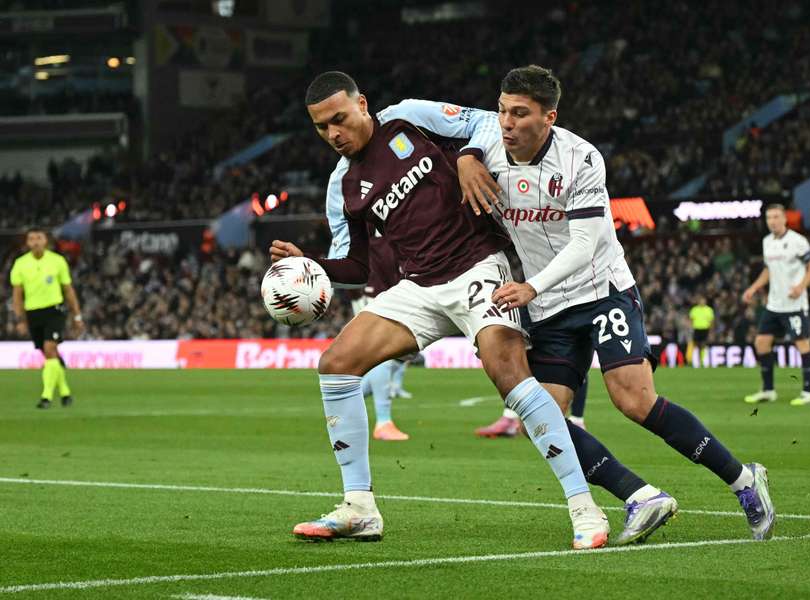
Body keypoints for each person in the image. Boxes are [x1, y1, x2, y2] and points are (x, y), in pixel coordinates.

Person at [270, 71, 610, 549]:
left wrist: (468, 157)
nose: (333, 134)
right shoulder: (341, 186)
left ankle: (584, 507)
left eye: (339, 119)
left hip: (477, 266)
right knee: (336, 364)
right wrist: (313, 265)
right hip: (419, 286)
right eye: (322, 127)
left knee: (509, 373)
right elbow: (358, 264)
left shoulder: (408, 118)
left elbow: (487, 122)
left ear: (362, 104)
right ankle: (359, 508)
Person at [469, 65, 774, 541]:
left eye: (520, 113)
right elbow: (437, 120)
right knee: (541, 419)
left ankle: (743, 480)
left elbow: (585, 243)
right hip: (549, 307)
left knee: (633, 399)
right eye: (502, 111)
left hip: (600, 289)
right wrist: (466, 156)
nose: (507, 123)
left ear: (549, 117)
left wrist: (532, 286)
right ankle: (640, 496)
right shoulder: (487, 147)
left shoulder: (581, 158)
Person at [330, 217, 410, 441]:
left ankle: (341, 400)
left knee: (401, 353)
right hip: (371, 282)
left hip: (391, 280)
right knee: (381, 351)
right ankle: (383, 422)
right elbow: (341, 236)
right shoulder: (359, 203)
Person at [742, 204, 810, 406]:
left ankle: (807, 393)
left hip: (794, 305)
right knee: (761, 343)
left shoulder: (797, 241)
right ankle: (768, 391)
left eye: (776, 217)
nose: (773, 221)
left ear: (785, 219)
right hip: (774, 305)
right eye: (769, 217)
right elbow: (768, 270)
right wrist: (754, 287)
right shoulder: (767, 242)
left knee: (802, 344)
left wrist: (801, 286)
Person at [10, 228, 84, 408]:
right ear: (27, 242)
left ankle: (46, 397)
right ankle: (65, 392)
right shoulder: (20, 264)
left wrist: (77, 316)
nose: (35, 242)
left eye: (39, 238)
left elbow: (68, 290)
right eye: (32, 238)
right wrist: (20, 319)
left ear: (46, 241)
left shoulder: (57, 261)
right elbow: (17, 295)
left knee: (50, 348)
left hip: (54, 310)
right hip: (33, 312)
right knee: (49, 354)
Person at [687, 295, 715, 367]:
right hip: (696, 329)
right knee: (696, 345)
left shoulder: (709, 310)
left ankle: (704, 361)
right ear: (698, 301)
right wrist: (690, 328)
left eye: (704, 300)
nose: (702, 302)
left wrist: (711, 331)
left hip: (705, 329)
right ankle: (697, 361)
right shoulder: (694, 309)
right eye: (701, 300)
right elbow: (690, 320)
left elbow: (711, 321)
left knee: (704, 345)